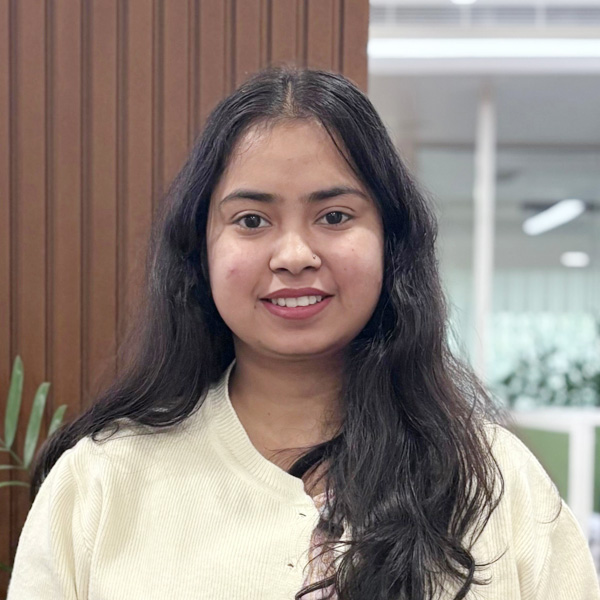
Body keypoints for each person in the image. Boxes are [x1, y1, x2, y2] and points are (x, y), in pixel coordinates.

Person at [7, 65, 599, 600]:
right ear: (200, 250)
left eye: (334, 216)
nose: (293, 255)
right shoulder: (100, 482)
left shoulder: (495, 481)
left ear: (391, 243)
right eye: (251, 220)